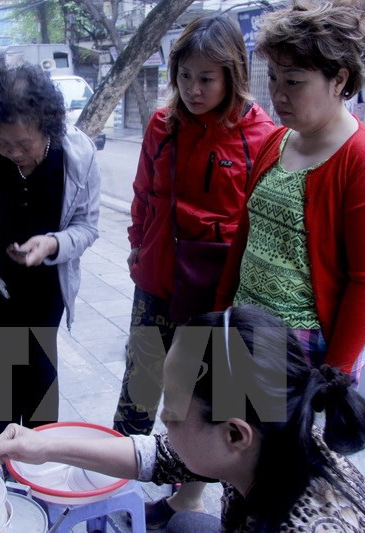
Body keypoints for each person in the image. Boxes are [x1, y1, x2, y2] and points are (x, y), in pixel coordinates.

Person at [0, 305, 365, 532]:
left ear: (235, 433)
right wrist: (38, 445)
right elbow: (157, 455)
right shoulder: (279, 443)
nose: (163, 427)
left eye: (173, 417)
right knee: (191, 524)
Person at [114, 13, 274, 526]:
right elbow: (141, 196)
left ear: (233, 75)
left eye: (207, 78)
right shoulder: (162, 125)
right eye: (185, 76)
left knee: (209, 404)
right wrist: (138, 247)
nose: (193, 89)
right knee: (139, 389)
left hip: (216, 297)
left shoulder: (261, 136)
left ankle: (188, 498)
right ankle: (114, 486)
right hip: (156, 284)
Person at [215, 0, 365, 376]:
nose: (277, 94)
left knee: (276, 436)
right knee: (232, 431)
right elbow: (246, 236)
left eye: (294, 81)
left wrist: (334, 375)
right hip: (243, 325)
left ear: (339, 80)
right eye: (272, 78)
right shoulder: (277, 140)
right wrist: (221, 312)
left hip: (298, 347)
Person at [0, 64, 100, 436]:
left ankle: (40, 473)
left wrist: (51, 244)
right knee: (1, 400)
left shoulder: (78, 156)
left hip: (46, 292)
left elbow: (87, 227)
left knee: (40, 398)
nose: (12, 152)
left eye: (23, 143)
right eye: (2, 141)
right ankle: (7, 480)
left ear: (46, 126)